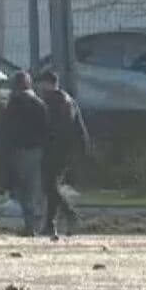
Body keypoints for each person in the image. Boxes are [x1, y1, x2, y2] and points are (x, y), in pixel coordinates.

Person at [35, 70, 90, 236]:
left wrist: (45, 142)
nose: (39, 86)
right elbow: (78, 126)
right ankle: (50, 224)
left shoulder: (54, 101)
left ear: (48, 83)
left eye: (41, 83)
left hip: (55, 149)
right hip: (65, 150)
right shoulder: (69, 100)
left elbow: (53, 127)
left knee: (50, 187)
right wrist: (82, 147)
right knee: (52, 187)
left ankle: (70, 215)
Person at [2, 71, 49, 237]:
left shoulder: (14, 104)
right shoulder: (39, 104)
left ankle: (30, 224)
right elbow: (46, 128)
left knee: (22, 188)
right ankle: (36, 223)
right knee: (33, 187)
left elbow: (7, 128)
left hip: (19, 149)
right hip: (36, 149)